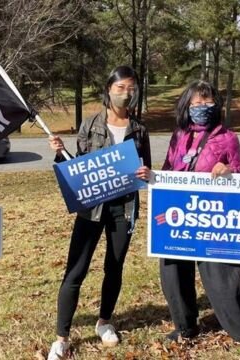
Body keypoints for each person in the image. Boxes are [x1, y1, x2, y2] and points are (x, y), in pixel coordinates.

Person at [158, 80, 240, 360]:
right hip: (180, 218)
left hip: (213, 220)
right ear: (186, 106)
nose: (202, 108)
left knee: (224, 280)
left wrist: (229, 169)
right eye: (196, 103)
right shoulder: (178, 136)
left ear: (217, 106)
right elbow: (167, 171)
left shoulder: (227, 137)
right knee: (173, 274)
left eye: (207, 103)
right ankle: (185, 326)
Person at [46, 65, 151, 360]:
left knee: (114, 267)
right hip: (92, 208)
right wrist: (59, 152)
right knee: (75, 272)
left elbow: (147, 170)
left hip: (124, 208)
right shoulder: (90, 124)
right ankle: (62, 338)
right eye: (120, 88)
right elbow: (78, 167)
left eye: (131, 88)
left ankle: (104, 321)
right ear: (109, 90)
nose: (126, 94)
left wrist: (146, 173)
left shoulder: (140, 129)